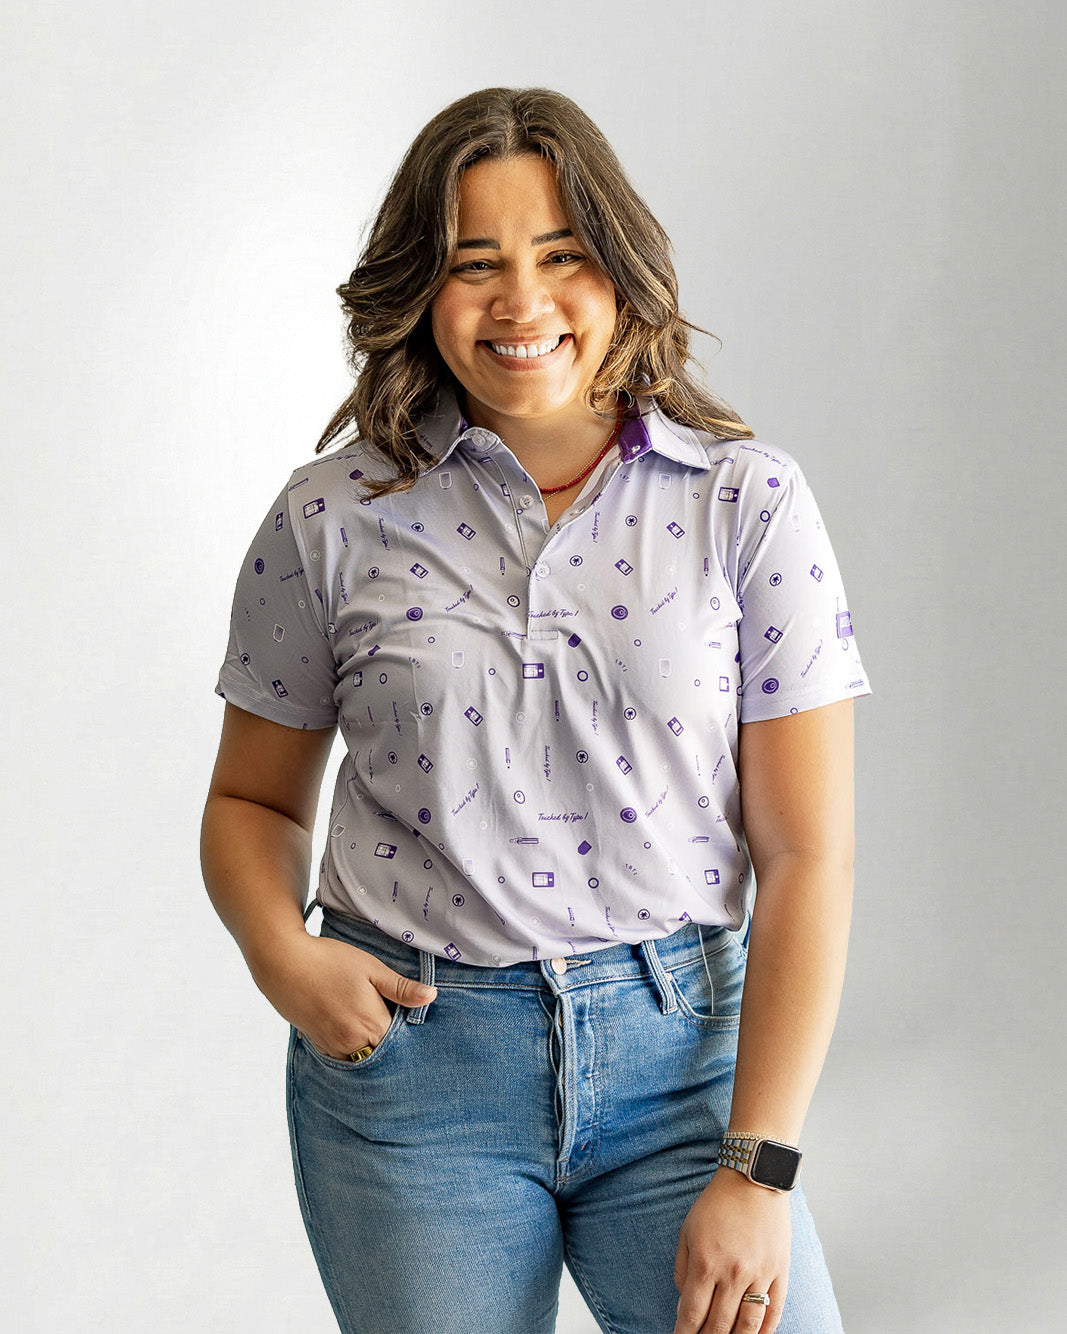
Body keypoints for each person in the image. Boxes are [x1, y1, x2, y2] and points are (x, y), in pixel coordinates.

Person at [202, 87, 869, 1334]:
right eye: (473, 264)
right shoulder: (331, 516)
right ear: (420, 287)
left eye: (560, 256)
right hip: (412, 1075)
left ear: (618, 271)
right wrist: (281, 954)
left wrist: (758, 1160)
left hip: (683, 1073)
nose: (521, 303)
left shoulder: (746, 504)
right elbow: (248, 798)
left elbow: (805, 851)